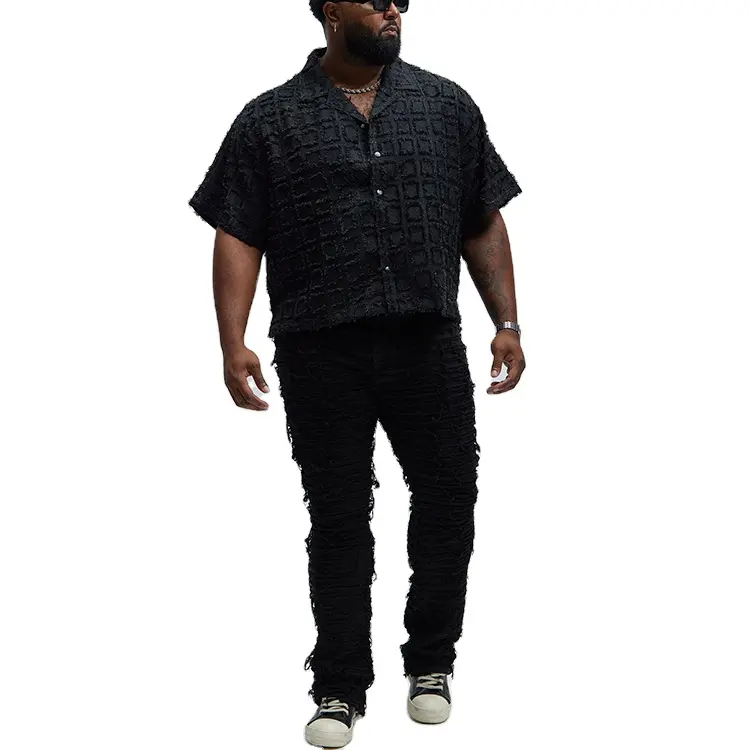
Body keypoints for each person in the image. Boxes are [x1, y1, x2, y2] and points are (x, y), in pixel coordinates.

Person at [188, 1, 526, 746]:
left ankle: (431, 662)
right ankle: (339, 687)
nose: (393, 9)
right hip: (320, 350)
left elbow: (481, 218)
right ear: (331, 9)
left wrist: (507, 322)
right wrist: (231, 341)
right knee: (338, 517)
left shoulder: (445, 105)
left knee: (448, 500)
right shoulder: (269, 120)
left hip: (427, 340)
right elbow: (237, 230)